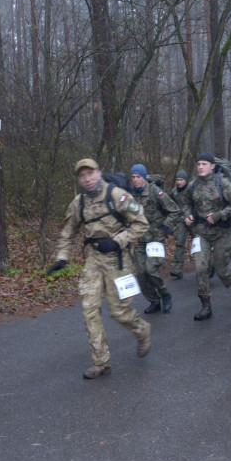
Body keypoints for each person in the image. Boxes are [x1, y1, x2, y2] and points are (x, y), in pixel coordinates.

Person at [48, 159, 152, 378]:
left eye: (90, 173)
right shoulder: (79, 203)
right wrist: (62, 257)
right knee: (89, 309)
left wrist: (117, 240)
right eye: (82, 175)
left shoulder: (117, 196)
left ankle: (142, 331)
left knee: (119, 312)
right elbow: (68, 231)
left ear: (99, 172)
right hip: (94, 259)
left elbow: (141, 224)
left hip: (118, 258)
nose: (87, 178)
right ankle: (101, 361)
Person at [183, 153, 231, 320]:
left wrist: (221, 214)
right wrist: (188, 215)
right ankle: (206, 306)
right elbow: (186, 203)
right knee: (201, 268)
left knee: (221, 269)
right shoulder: (193, 185)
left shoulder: (223, 184)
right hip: (201, 232)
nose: (201, 167)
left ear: (212, 166)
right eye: (199, 164)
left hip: (221, 233)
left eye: (204, 164)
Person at [129, 164, 181, 314]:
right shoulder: (131, 195)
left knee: (150, 269)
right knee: (140, 273)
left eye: (138, 177)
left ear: (144, 177)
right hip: (139, 240)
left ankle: (165, 294)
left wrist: (166, 225)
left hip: (155, 238)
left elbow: (175, 210)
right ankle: (154, 301)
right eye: (133, 177)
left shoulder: (155, 192)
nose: (135, 180)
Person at [170, 170, 191, 279]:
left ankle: (207, 266)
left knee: (199, 244)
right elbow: (172, 207)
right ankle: (178, 269)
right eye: (177, 180)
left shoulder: (191, 190)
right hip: (181, 220)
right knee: (179, 244)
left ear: (186, 181)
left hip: (193, 220)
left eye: (181, 180)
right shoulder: (174, 192)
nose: (179, 182)